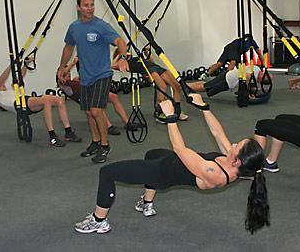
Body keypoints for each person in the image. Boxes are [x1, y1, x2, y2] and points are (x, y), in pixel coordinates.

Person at [74, 94, 270, 235]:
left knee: (107, 172)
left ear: (237, 161)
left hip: (162, 174)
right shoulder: (233, 161)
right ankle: (147, 204)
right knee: (152, 153)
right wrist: (204, 108)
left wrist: (170, 118)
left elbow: (179, 148)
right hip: (170, 164)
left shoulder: (215, 174)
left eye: (237, 146)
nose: (233, 144)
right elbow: (218, 133)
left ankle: (99, 220)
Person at [57, 0, 129, 164]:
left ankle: (105, 146)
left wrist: (124, 58)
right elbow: (68, 47)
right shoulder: (74, 27)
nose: (89, 9)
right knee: (89, 113)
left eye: (92, 5)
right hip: (85, 77)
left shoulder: (101, 26)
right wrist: (62, 66)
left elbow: (120, 41)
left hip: (102, 74)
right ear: (78, 7)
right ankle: (95, 142)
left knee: (97, 111)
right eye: (86, 5)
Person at [0, 61, 82, 147]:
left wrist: (26, 65)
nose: (3, 84)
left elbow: (21, 76)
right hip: (18, 105)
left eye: (1, 82)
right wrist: (11, 64)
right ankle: (52, 137)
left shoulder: (11, 89)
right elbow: (3, 78)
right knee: (46, 100)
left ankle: (68, 132)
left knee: (59, 100)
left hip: (26, 101)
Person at [57, 57, 138, 137]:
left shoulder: (75, 80)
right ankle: (109, 126)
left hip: (91, 92)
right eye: (66, 73)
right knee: (98, 105)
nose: (68, 74)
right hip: (85, 98)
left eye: (68, 73)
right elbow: (63, 75)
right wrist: (73, 63)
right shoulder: (63, 84)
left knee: (114, 97)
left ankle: (127, 122)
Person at [111, 48, 188, 123]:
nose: (128, 53)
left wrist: (147, 53)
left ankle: (178, 111)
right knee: (162, 87)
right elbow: (112, 65)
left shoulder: (136, 58)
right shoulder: (122, 64)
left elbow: (151, 62)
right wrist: (120, 55)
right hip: (148, 71)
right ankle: (160, 112)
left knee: (177, 86)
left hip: (156, 67)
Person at [187, 66, 262, 98]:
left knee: (205, 85)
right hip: (226, 80)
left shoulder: (257, 69)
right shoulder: (253, 75)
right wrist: (248, 94)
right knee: (205, 88)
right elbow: (246, 79)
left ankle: (185, 85)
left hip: (227, 75)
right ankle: (183, 87)